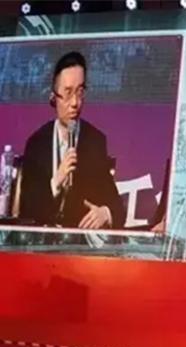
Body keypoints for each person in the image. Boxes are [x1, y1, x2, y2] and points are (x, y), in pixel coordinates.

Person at [20, 51, 124, 229]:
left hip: (78, 239)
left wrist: (106, 212)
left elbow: (117, 208)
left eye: (80, 92)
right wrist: (56, 182)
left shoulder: (94, 142)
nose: (75, 102)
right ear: (53, 97)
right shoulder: (36, 143)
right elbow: (27, 210)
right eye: (68, 93)